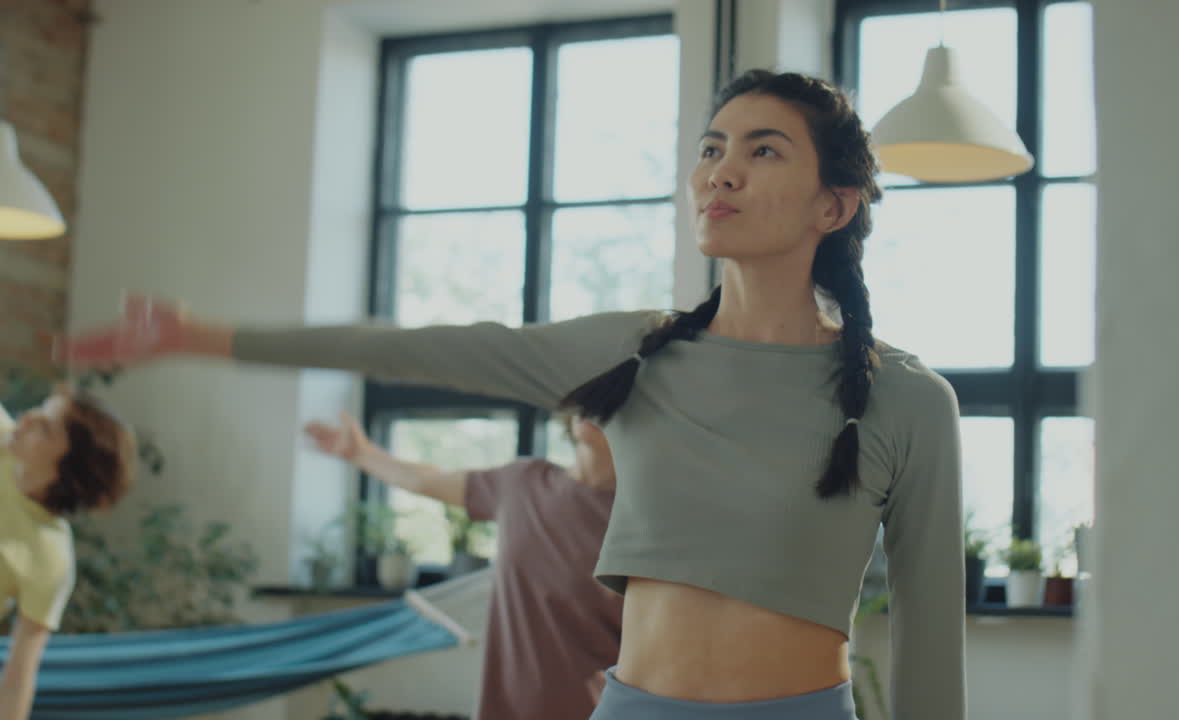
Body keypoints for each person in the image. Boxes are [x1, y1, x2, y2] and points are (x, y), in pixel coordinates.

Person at [60, 69, 964, 720]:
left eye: (762, 151)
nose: (719, 172)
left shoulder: (908, 401)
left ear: (833, 206)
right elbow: (425, 348)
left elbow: (931, 649)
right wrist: (205, 336)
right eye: (710, 149)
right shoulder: (635, 354)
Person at [303, 411, 621, 720]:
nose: (593, 404)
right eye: (587, 394)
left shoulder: (636, 516)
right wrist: (361, 453)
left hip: (598, 710)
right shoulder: (523, 482)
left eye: (612, 399)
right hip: (505, 709)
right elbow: (426, 479)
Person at [0, 386, 135, 720]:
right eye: (38, 408)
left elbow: (18, 678)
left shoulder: (50, 559)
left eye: (45, 428)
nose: (27, 419)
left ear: (64, 470)